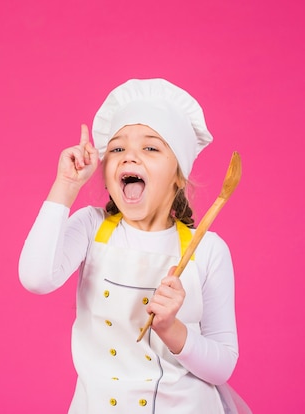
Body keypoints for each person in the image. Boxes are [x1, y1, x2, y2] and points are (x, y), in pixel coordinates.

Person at [18, 79, 249, 413]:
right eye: (117, 148)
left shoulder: (208, 250)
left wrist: (172, 329)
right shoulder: (91, 227)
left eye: (151, 148)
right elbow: (36, 278)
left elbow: (222, 366)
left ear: (178, 175)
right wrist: (65, 186)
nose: (130, 157)